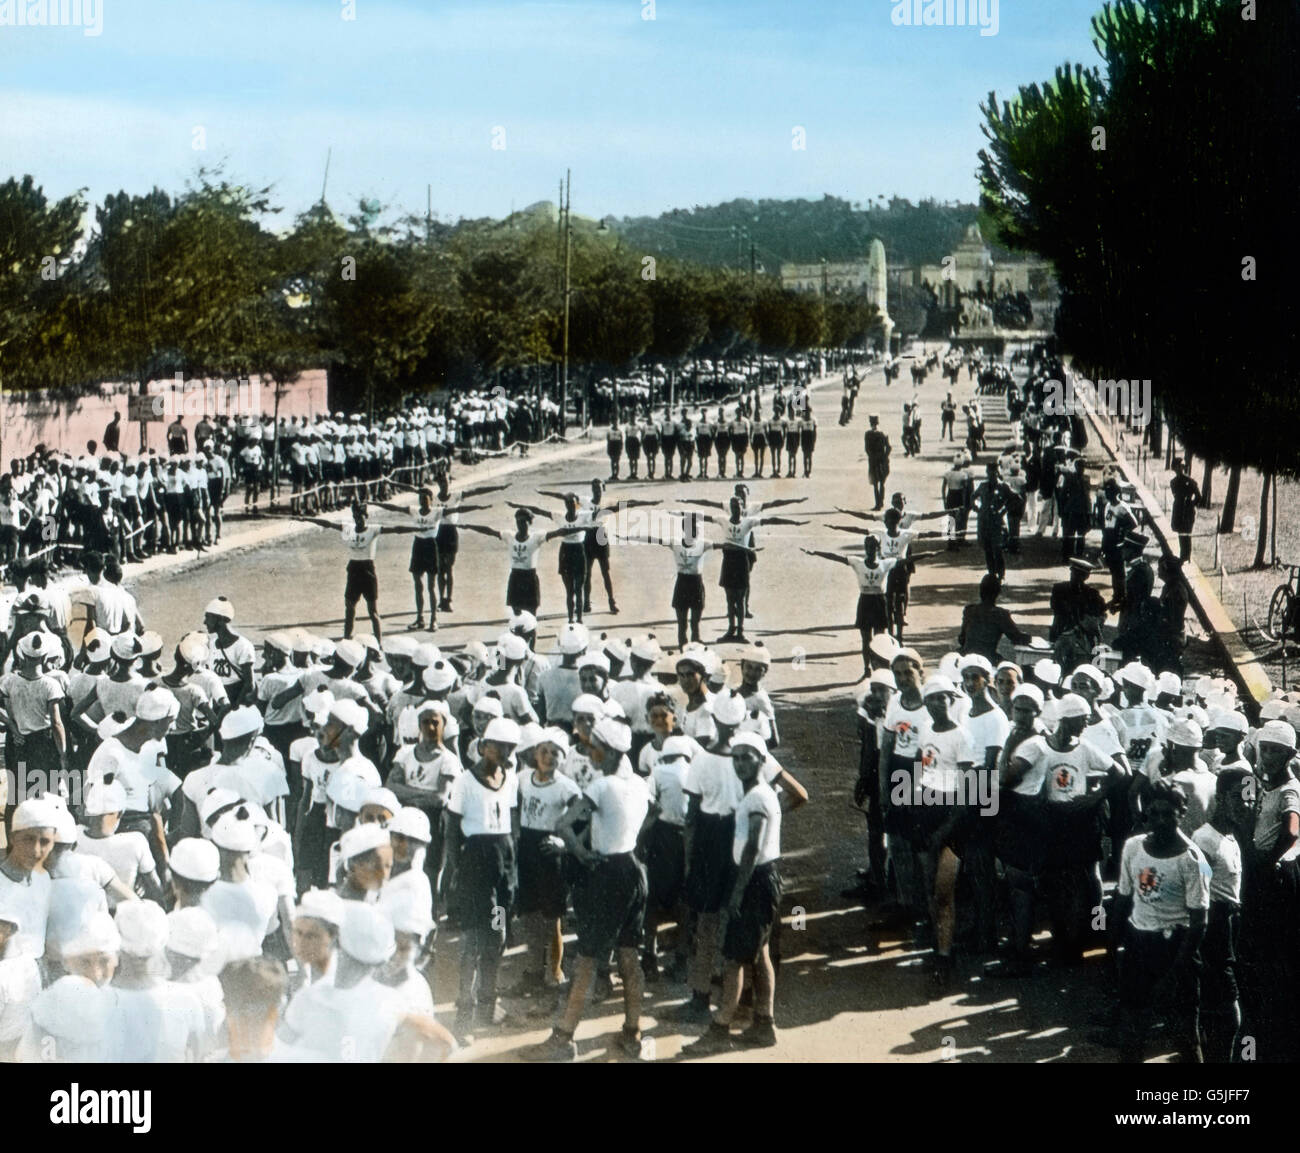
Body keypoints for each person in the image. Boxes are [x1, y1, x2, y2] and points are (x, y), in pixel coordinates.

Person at [523, 718, 651, 1061]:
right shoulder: (639, 784)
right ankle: (633, 1033)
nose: (588, 752)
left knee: (586, 961)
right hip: (634, 873)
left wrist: (580, 851)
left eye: (593, 747)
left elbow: (563, 824)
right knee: (628, 955)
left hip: (607, 876)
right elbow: (649, 816)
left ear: (607, 752)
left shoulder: (601, 786)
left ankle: (563, 1038)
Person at [681, 731, 785, 1054]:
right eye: (736, 757)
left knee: (734, 959)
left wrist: (737, 893)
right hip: (764, 878)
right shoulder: (759, 793)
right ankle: (764, 1024)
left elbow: (753, 846)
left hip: (754, 880)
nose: (739, 763)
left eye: (747, 757)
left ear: (761, 761)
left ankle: (720, 1027)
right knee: (761, 953)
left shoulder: (756, 798)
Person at [1113, 780, 1209, 1063]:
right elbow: (1122, 898)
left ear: (1182, 812)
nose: (1160, 820)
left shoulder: (1193, 859)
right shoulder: (1133, 847)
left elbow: (1199, 921)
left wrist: (1174, 973)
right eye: (1153, 814)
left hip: (1176, 948)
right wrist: (1113, 944)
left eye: (1168, 813)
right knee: (1132, 1031)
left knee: (1184, 1036)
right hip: (1139, 944)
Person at [444, 716, 520, 1041]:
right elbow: (451, 829)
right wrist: (453, 869)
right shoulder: (464, 782)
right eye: (497, 746)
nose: (503, 752)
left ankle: (489, 1004)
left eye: (509, 747)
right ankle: (464, 1012)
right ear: (483, 746)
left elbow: (512, 823)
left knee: (497, 932)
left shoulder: (512, 778)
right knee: (473, 940)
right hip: (475, 865)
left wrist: (511, 866)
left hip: (503, 866)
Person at [802, 536, 897, 679]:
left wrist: (933, 553)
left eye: (874, 546)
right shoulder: (857, 562)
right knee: (866, 640)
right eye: (868, 546)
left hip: (879, 602)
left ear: (878, 548)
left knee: (880, 640)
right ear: (865, 548)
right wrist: (816, 552)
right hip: (865, 601)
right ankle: (867, 668)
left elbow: (908, 559)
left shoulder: (886, 563)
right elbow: (836, 557)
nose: (871, 549)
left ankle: (881, 668)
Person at [958, 574, 1032, 663]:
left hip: (966, 657)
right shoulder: (1000, 614)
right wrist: (1030, 638)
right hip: (987, 658)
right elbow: (1016, 638)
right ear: (997, 593)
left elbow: (962, 639)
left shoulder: (969, 610)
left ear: (981, 591)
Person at [1169, 459, 1201, 564]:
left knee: (1187, 532)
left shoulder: (1190, 481)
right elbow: (1176, 495)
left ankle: (1186, 556)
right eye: (1178, 467)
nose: (1180, 469)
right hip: (1178, 508)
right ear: (1175, 468)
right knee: (1180, 531)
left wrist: (1191, 504)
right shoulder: (1173, 482)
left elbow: (1198, 496)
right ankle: (1183, 555)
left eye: (1182, 466)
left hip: (1187, 510)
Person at [864, 416, 892, 511]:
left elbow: (867, 449)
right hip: (882, 461)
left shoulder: (868, 434)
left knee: (875, 484)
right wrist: (884, 457)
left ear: (870, 423)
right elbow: (888, 447)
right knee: (882, 483)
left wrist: (872, 456)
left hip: (873, 461)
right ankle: (881, 503)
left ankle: (877, 504)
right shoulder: (883, 433)